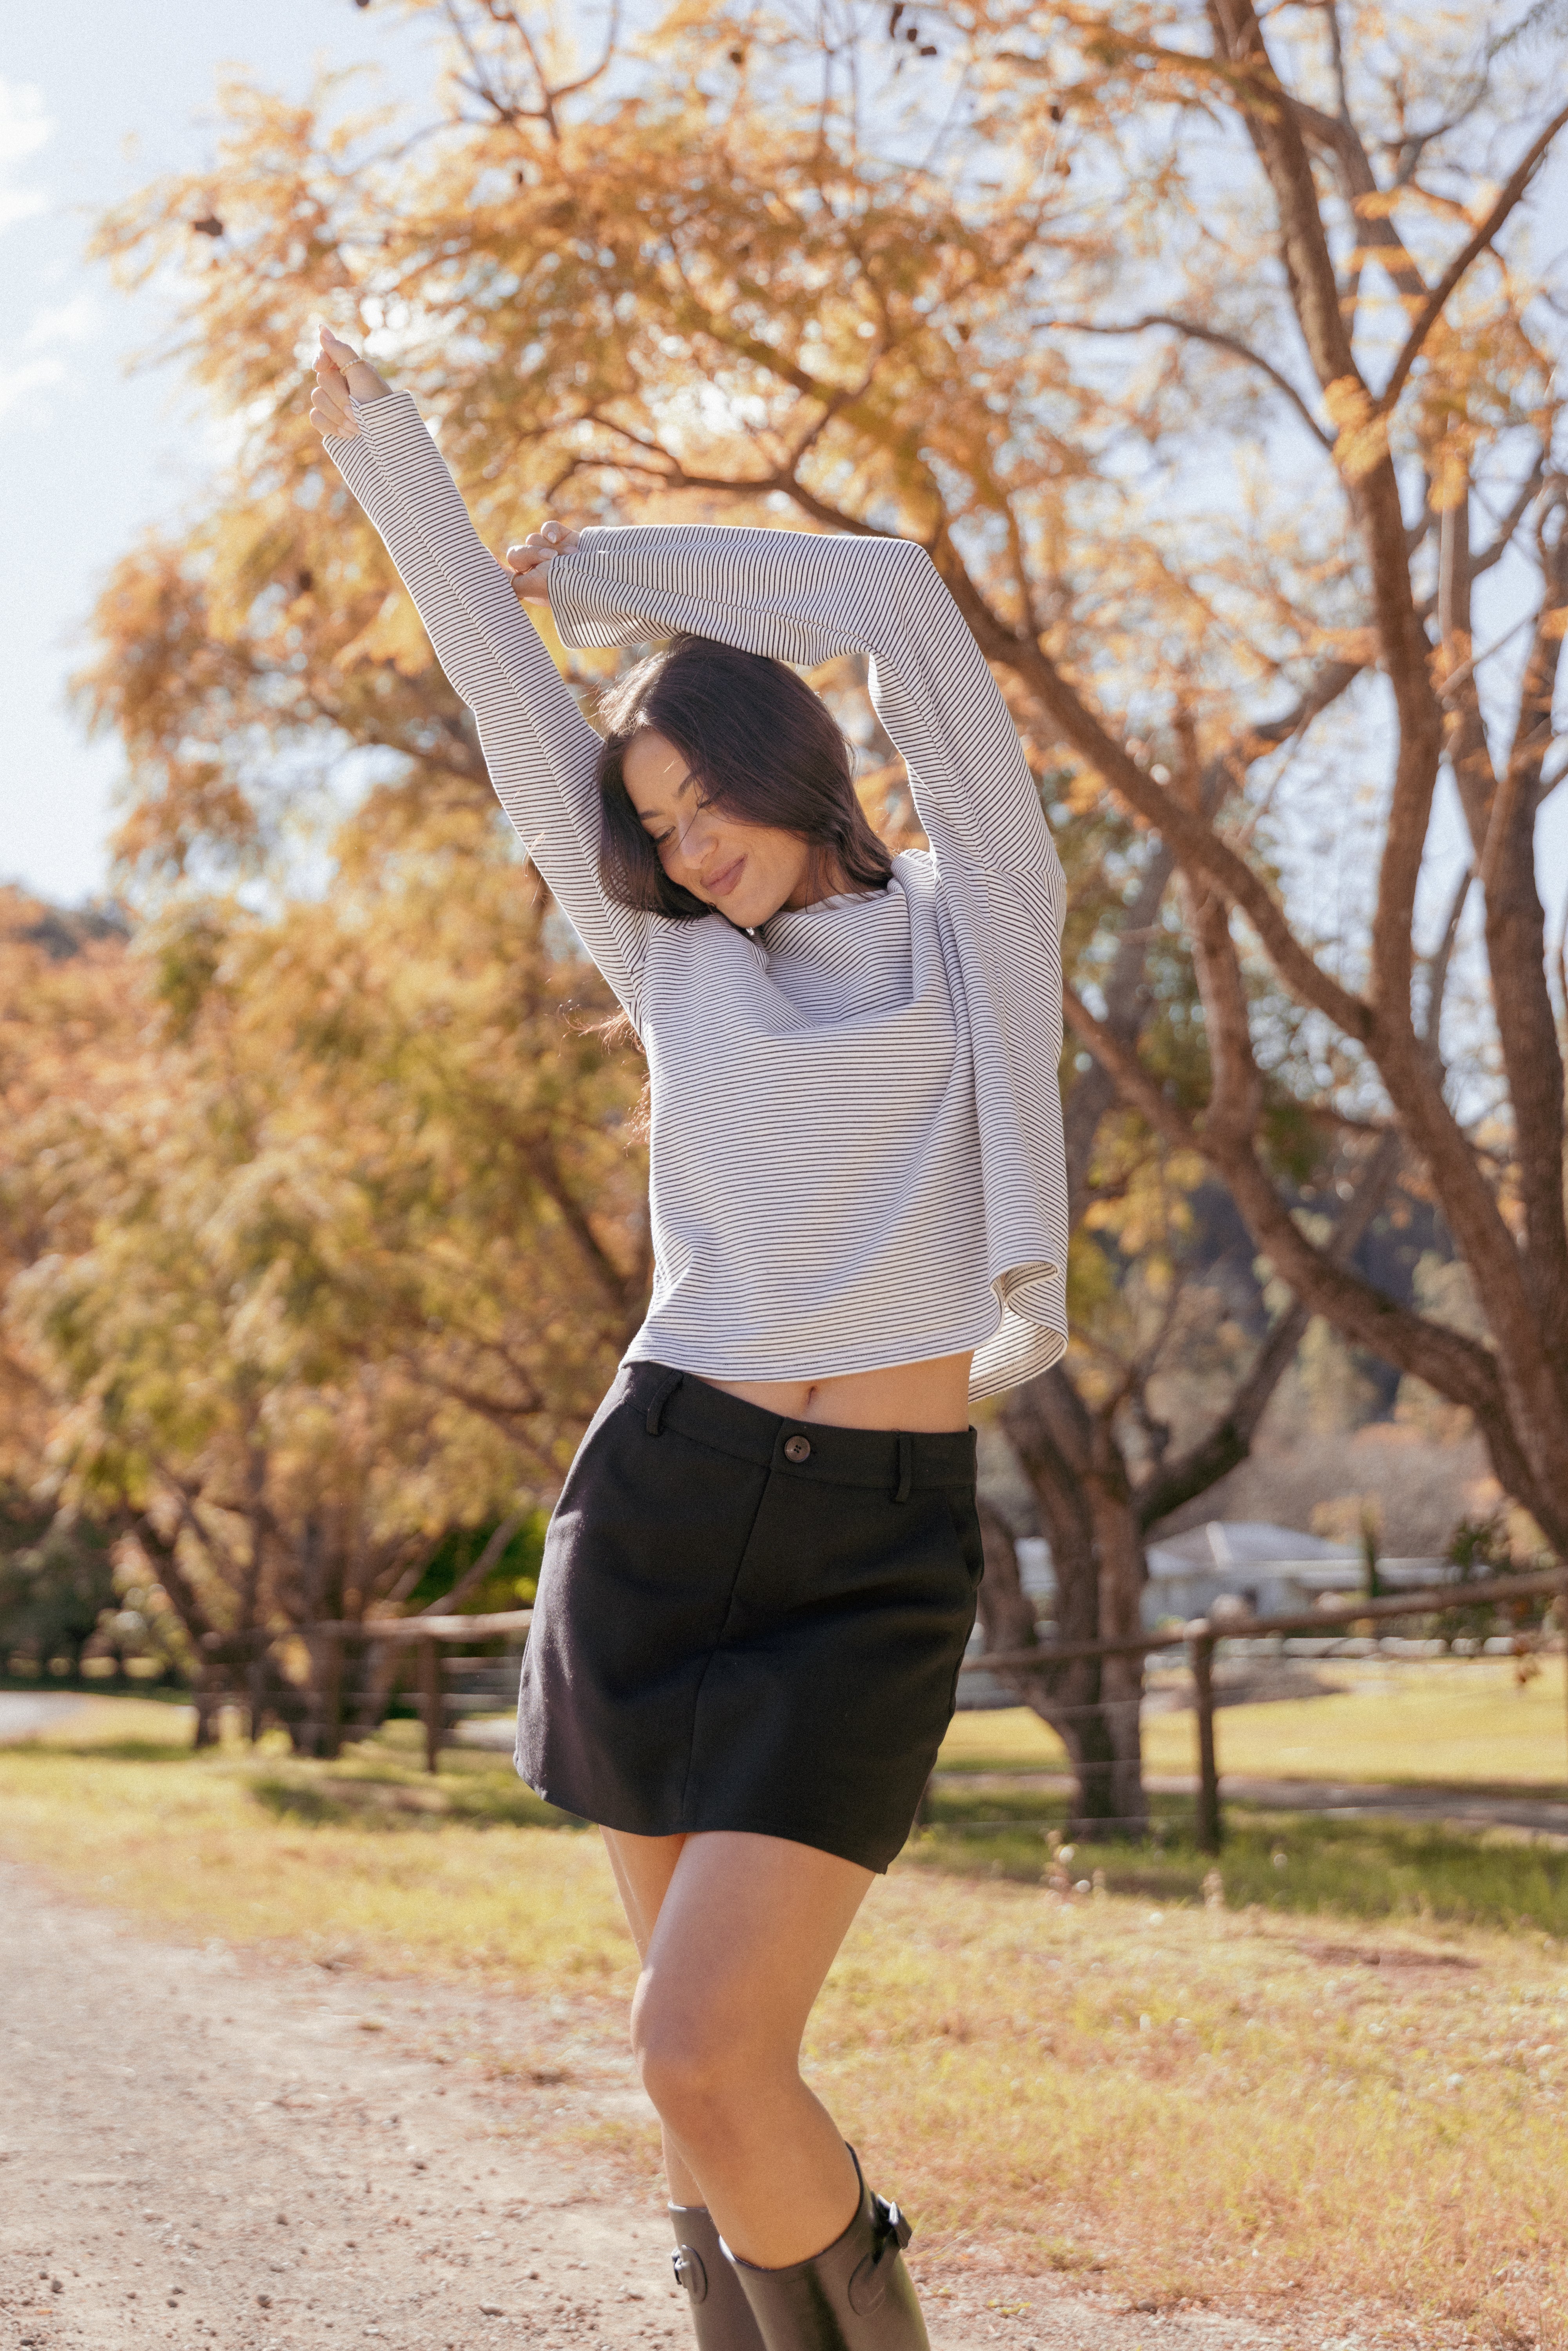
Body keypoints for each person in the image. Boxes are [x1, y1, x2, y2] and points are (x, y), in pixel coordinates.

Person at [310, 323, 1068, 2351]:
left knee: (708, 2055)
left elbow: (895, 597)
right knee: (687, 2088)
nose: (682, 844)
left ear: (783, 759)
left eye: (699, 795)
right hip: (662, 1508)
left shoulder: (979, 920)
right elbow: (502, 704)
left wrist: (615, 576)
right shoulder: (670, 965)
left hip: (869, 1558)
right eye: (649, 822)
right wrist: (400, 467)